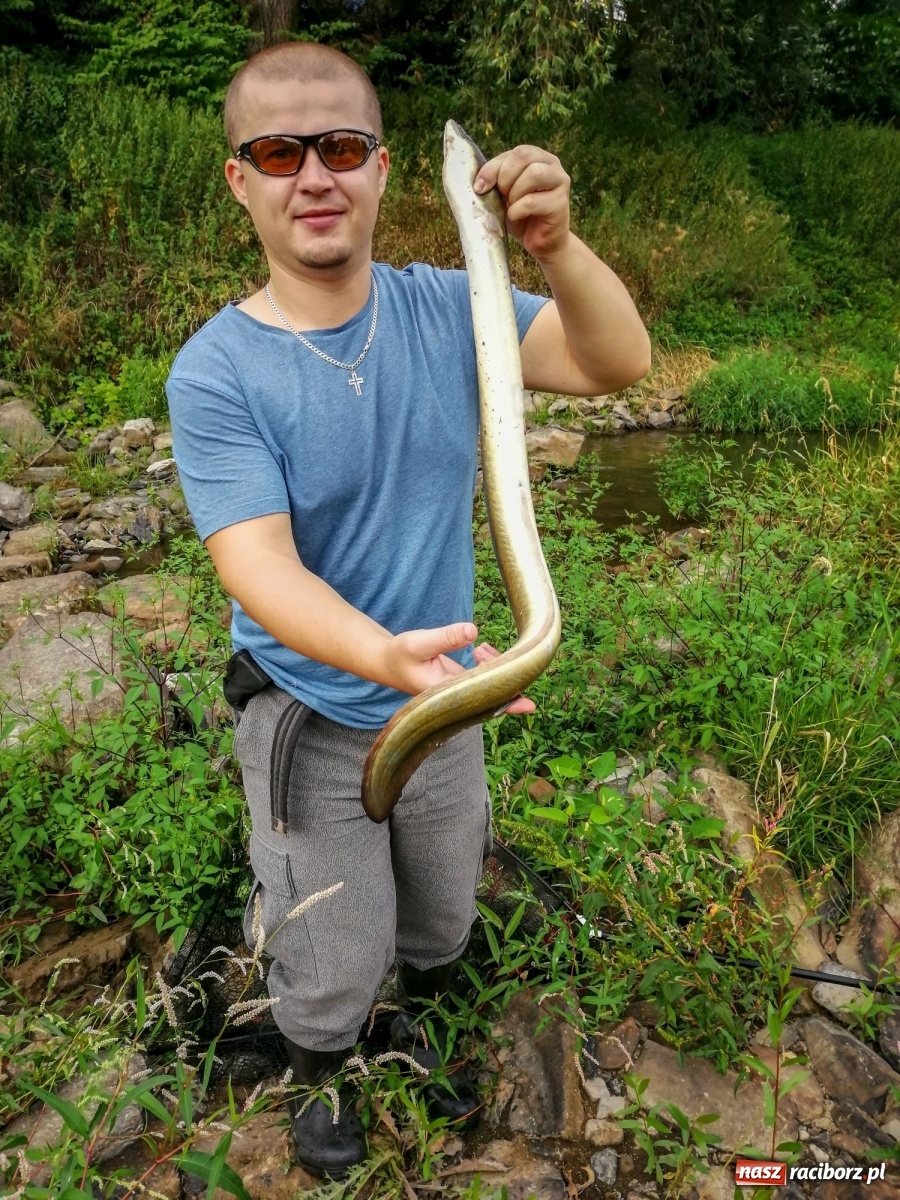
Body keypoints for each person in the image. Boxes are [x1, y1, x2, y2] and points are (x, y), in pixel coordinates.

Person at [166, 41, 650, 1180]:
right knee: (333, 942)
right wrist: (384, 657)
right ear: (241, 180)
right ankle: (324, 1066)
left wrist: (555, 247)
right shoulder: (217, 371)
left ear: (384, 170)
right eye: (278, 152)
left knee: (440, 906)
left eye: (339, 147)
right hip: (313, 712)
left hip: (447, 700)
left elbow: (616, 360)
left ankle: (425, 1013)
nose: (313, 176)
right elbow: (259, 569)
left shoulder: (456, 309)